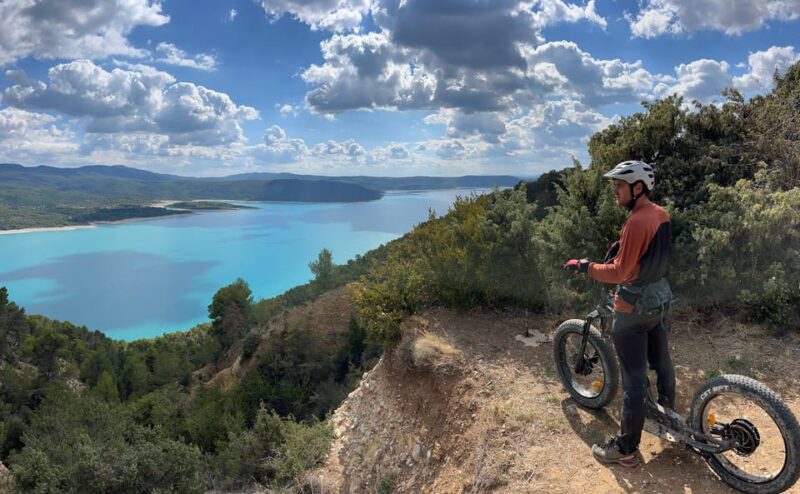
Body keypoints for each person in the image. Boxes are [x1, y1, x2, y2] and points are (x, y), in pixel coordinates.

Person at [563, 160, 676, 468]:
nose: (615, 191)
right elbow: (650, 258)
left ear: (638, 188)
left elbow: (619, 273)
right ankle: (668, 413)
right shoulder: (661, 215)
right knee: (662, 361)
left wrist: (586, 267)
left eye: (620, 186)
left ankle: (625, 449)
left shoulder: (636, 222)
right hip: (658, 300)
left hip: (632, 309)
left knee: (634, 380)